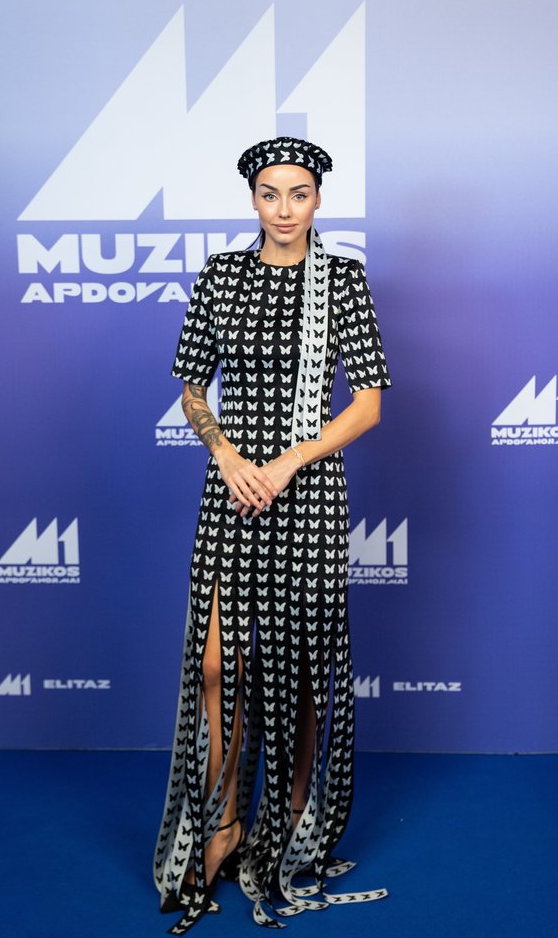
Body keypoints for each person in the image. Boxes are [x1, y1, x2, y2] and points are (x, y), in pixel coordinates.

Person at [153, 136, 392, 935]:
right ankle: (222, 823)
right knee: (215, 663)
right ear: (252, 199)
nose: (284, 209)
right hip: (233, 489)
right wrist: (225, 454)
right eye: (269, 193)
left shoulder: (342, 279)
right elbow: (193, 388)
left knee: (299, 670)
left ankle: (292, 823)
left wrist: (289, 460)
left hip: (308, 489)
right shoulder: (221, 275)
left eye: (298, 193)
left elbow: (367, 404)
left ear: (318, 199)